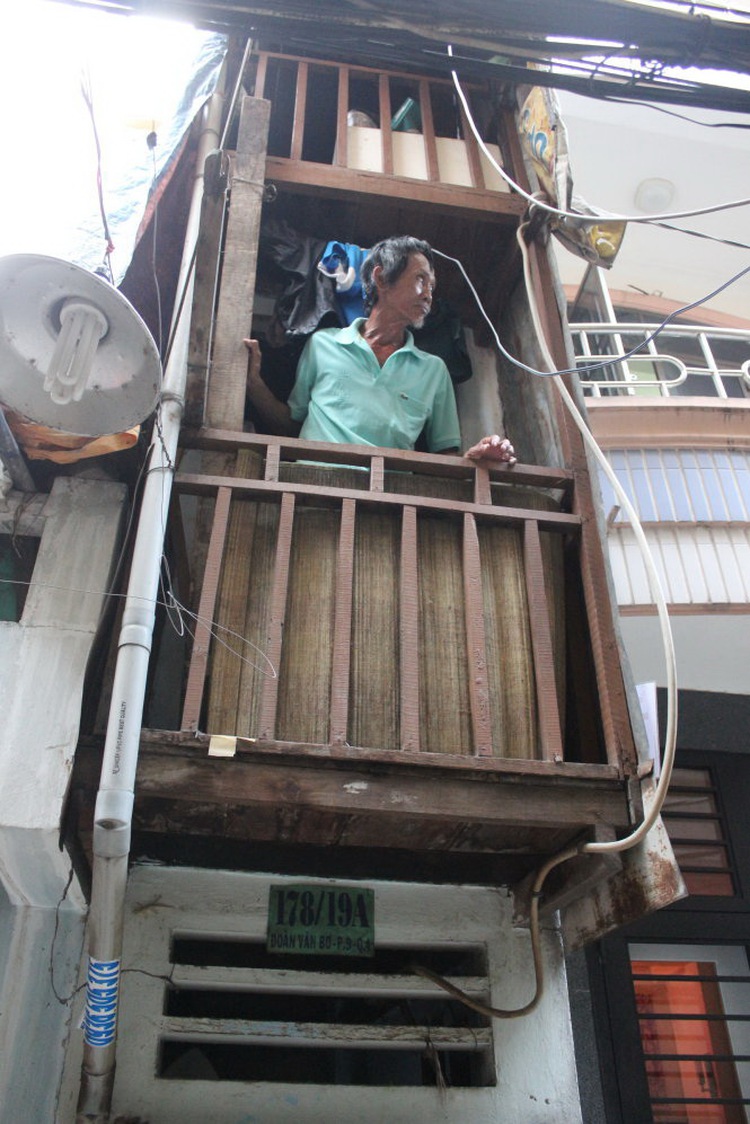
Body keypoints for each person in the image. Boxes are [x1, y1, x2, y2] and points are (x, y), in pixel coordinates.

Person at [244, 235, 516, 465]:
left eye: (432, 286)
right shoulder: (323, 344)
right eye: (421, 280)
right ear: (382, 278)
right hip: (312, 488)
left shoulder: (434, 370)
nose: (428, 295)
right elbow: (291, 424)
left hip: (386, 504)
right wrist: (253, 383)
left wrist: (473, 459)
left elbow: (445, 456)